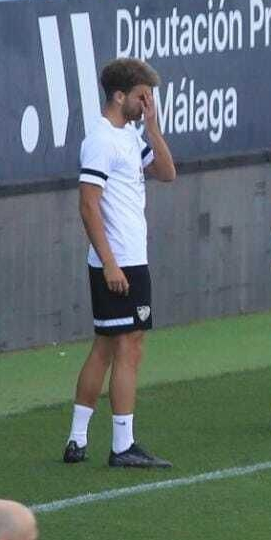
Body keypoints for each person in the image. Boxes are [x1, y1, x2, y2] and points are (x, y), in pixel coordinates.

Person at [64, 57, 176, 468]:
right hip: (120, 262)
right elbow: (88, 206)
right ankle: (122, 446)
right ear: (119, 95)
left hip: (131, 259)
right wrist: (110, 264)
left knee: (108, 348)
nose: (147, 103)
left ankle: (77, 440)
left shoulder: (130, 136)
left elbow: (166, 173)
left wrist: (154, 129)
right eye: (142, 96)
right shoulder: (101, 140)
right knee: (129, 348)